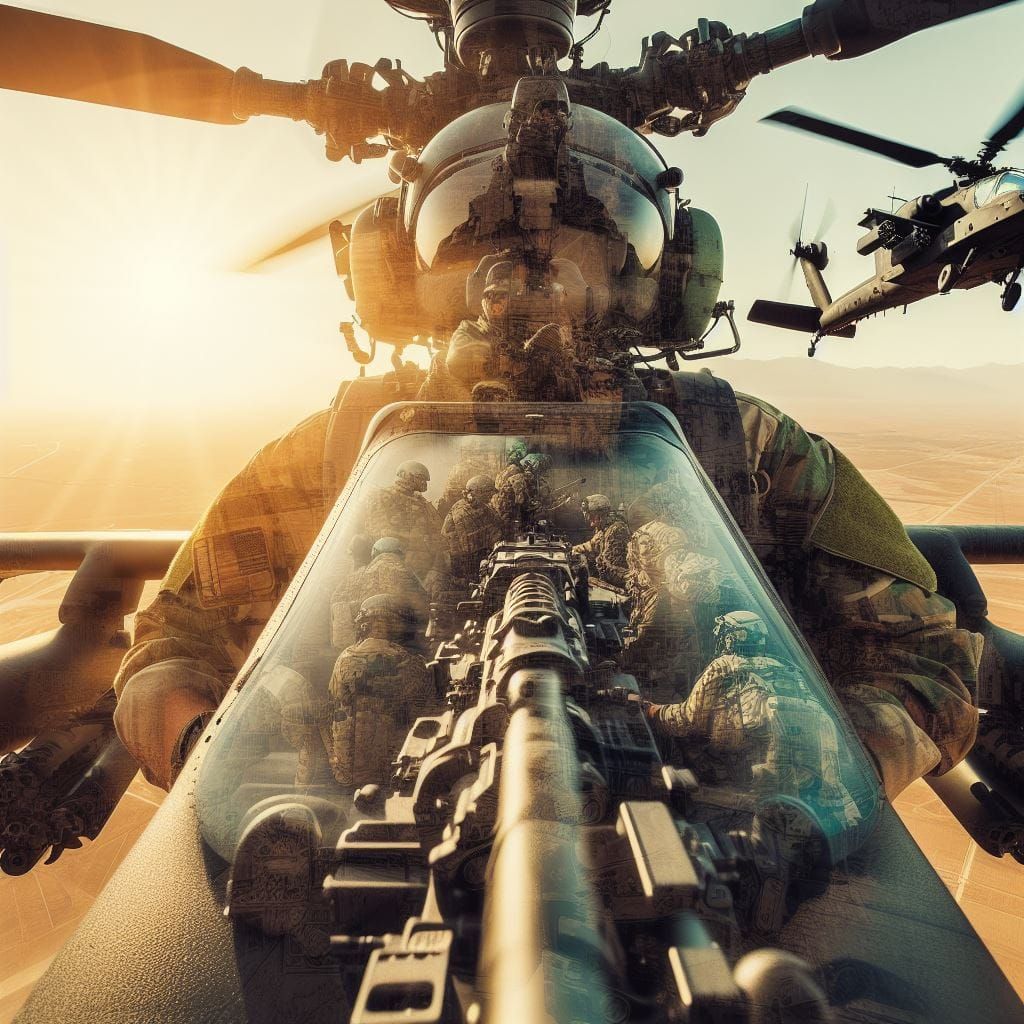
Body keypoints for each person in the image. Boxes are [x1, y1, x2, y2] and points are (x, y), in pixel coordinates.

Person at [571, 493, 630, 589]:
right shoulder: (604, 528)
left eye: (591, 516)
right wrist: (570, 549)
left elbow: (611, 570)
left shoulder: (617, 530)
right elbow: (591, 545)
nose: (589, 520)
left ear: (601, 515)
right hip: (609, 578)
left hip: (620, 583)